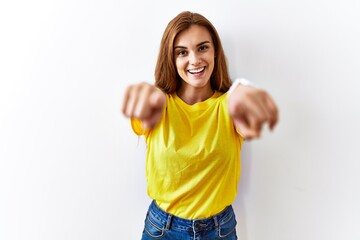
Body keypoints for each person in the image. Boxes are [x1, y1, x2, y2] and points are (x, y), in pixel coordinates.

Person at [122, 11, 278, 240]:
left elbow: (247, 115)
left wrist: (243, 89)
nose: (194, 59)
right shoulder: (159, 105)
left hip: (219, 230)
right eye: (182, 52)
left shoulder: (229, 105)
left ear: (215, 52)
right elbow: (143, 110)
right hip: (162, 230)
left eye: (202, 48)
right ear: (171, 59)